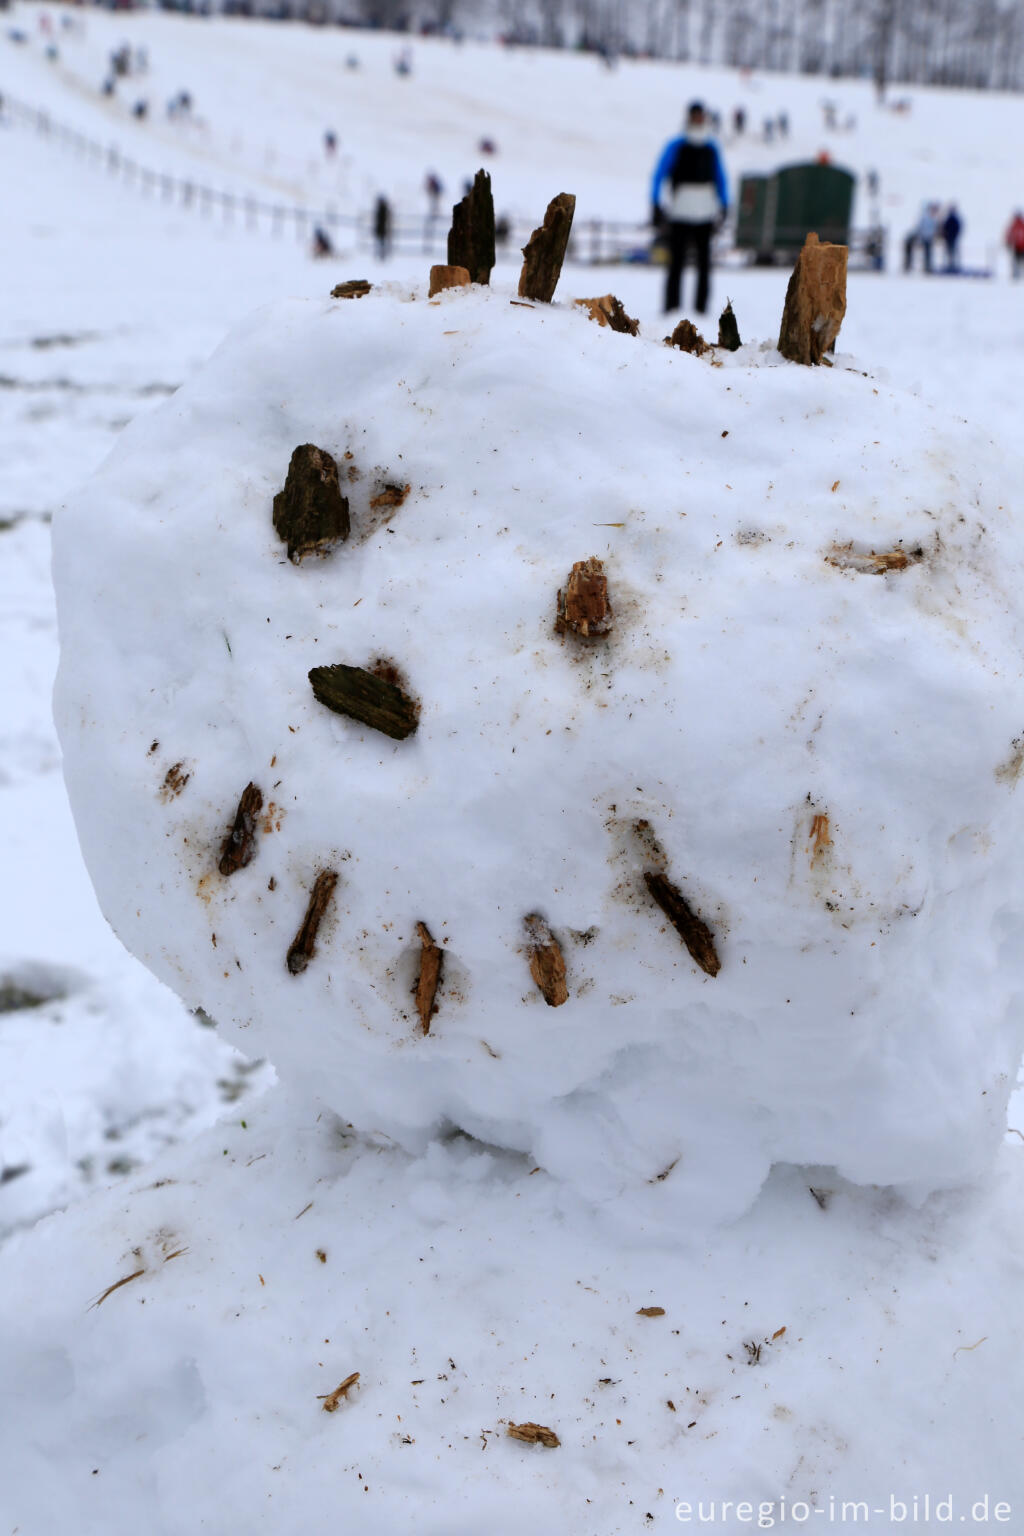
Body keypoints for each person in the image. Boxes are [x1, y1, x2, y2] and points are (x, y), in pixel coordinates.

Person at [650, 100, 728, 316]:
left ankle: (701, 308)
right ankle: (671, 306)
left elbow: (720, 178)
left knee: (704, 264)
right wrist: (655, 202)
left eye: (701, 115)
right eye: (695, 115)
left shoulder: (711, 147)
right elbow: (659, 174)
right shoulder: (676, 145)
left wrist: (724, 203)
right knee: (676, 262)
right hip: (680, 211)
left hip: (705, 211)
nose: (698, 119)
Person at [903, 202, 938, 273]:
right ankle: (926, 267)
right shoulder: (926, 218)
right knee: (927, 254)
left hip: (928, 239)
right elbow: (921, 229)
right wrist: (920, 238)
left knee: (928, 254)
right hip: (925, 238)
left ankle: (927, 267)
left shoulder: (932, 219)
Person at [940, 204, 962, 271]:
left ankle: (953, 265)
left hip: (952, 238)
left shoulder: (954, 219)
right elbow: (945, 228)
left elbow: (957, 229)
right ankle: (950, 265)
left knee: (953, 252)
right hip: (949, 238)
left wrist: (953, 235)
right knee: (949, 252)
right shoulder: (949, 219)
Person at [373, 195, 392, 260]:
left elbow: (380, 219)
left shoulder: (382, 209)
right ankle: (381, 254)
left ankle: (382, 254)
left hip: (382, 228)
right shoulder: (383, 209)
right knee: (381, 243)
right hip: (382, 228)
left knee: (381, 243)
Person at [1007, 211, 1024, 279]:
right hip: (1017, 247)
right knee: (1016, 261)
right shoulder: (1015, 225)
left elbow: (1009, 235)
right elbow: (1010, 235)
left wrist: (1008, 241)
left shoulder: (1016, 225)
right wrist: (1008, 242)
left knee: (1018, 262)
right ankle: (1016, 275)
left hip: (1019, 247)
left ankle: (1017, 274)